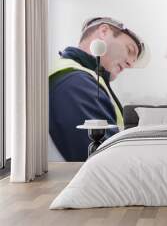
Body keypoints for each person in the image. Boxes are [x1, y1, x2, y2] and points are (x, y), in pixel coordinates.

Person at [49, 17, 149, 161]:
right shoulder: (76, 84)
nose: (130, 64)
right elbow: (106, 162)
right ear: (104, 31)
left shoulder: (86, 81)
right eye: (130, 50)